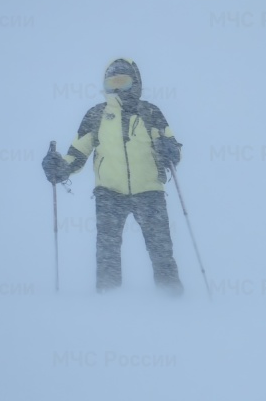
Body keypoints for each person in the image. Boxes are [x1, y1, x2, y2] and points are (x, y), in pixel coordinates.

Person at [42, 58, 183, 294]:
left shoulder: (151, 112)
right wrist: (59, 167)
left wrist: (171, 152)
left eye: (124, 82)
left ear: (135, 83)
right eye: (112, 82)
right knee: (107, 252)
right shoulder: (96, 115)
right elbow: (78, 153)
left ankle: (172, 300)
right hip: (109, 194)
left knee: (161, 250)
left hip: (150, 193)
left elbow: (173, 147)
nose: (117, 88)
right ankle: (108, 303)